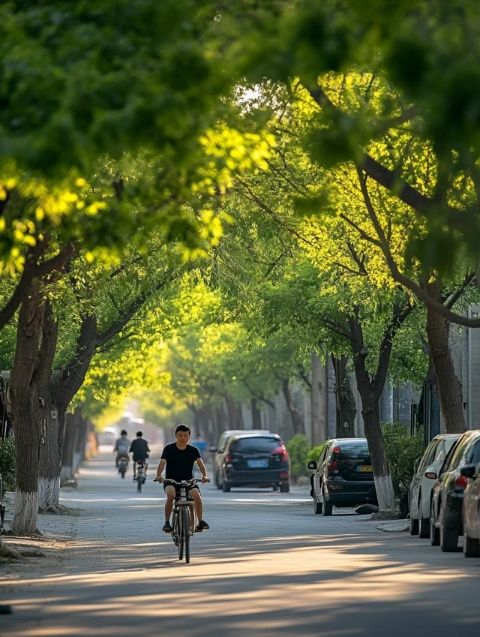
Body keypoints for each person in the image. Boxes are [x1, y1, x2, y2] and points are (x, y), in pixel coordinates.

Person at [154, 424, 210, 533]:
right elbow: (162, 463)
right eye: (180, 435)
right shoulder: (168, 449)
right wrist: (159, 475)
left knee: (197, 497)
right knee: (171, 495)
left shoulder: (194, 450)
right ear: (176, 436)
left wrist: (205, 475)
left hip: (188, 482)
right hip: (171, 481)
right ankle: (167, 523)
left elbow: (200, 464)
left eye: (185, 435)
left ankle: (200, 521)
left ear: (189, 436)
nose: (183, 438)